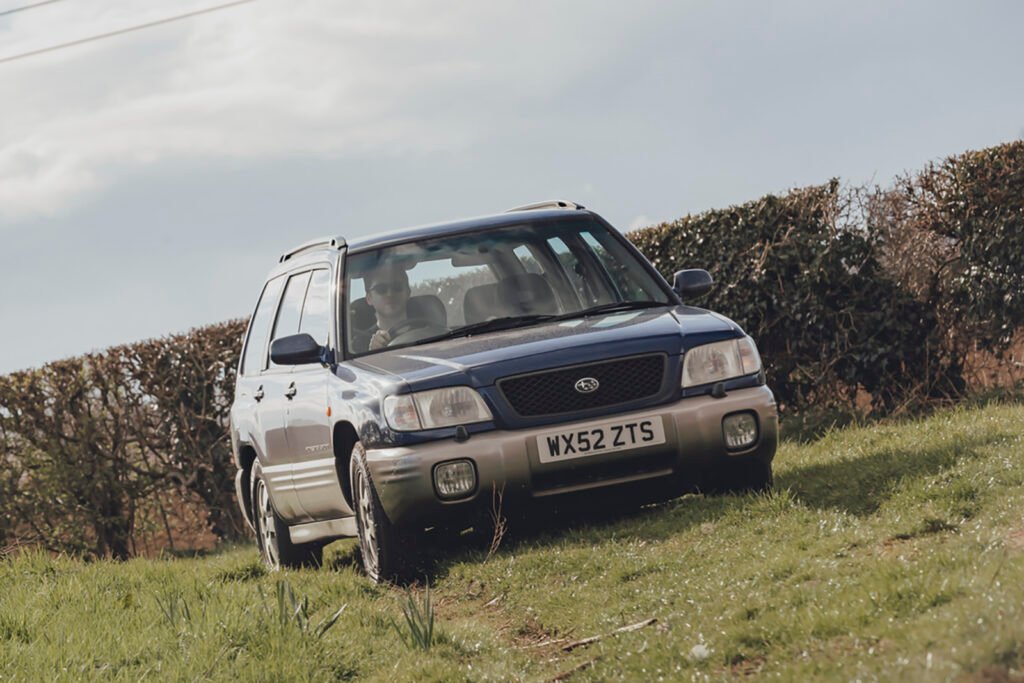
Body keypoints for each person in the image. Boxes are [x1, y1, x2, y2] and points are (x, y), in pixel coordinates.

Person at [364, 263, 411, 350]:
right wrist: (373, 353)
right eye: (381, 289)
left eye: (397, 287)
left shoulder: (430, 330)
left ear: (408, 292)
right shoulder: (358, 344)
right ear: (369, 298)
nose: (390, 294)